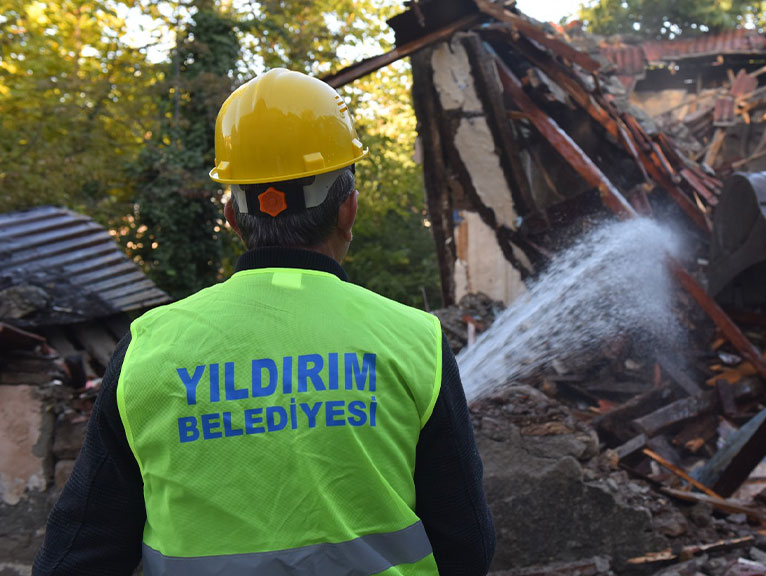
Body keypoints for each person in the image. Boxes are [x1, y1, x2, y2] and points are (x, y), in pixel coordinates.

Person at [34, 68, 495, 576]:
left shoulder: (148, 347)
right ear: (349, 209)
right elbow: (466, 544)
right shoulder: (416, 340)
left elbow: (78, 554)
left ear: (233, 217)